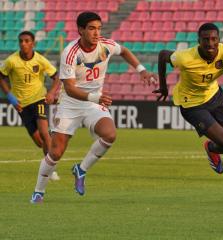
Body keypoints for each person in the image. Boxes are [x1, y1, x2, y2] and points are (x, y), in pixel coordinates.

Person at [29, 11, 157, 203]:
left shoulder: (106, 45)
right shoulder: (70, 53)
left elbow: (124, 51)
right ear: (80, 30)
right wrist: (95, 97)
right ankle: (39, 192)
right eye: (91, 29)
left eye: (99, 28)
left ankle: (81, 170)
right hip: (70, 104)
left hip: (92, 102)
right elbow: (70, 89)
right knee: (55, 152)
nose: (97, 33)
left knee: (109, 134)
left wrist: (142, 70)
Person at [154, 23, 223, 203]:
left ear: (219, 40)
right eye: (206, 40)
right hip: (192, 105)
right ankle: (211, 147)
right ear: (199, 41)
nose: (210, 44)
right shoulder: (185, 57)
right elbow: (162, 55)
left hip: (215, 96)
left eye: (214, 39)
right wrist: (164, 86)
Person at [0, 31, 61, 181]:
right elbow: (1, 77)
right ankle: (51, 138)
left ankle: (50, 169)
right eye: (21, 41)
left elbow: (56, 76)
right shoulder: (11, 61)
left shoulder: (40, 60)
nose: (23, 44)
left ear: (33, 43)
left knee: (44, 133)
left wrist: (52, 92)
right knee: (39, 142)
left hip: (39, 99)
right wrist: (11, 97)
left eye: (27, 41)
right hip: (22, 105)